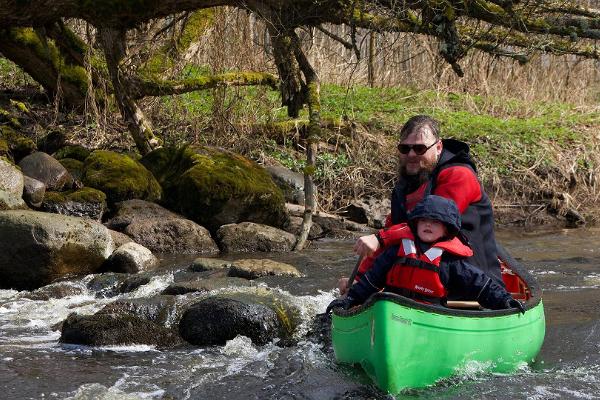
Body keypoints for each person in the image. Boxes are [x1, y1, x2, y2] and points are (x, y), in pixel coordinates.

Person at [339, 115, 501, 294]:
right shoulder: (406, 185)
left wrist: (378, 238)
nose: (411, 155)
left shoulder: (459, 175)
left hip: (470, 281)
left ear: (438, 147)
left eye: (419, 148)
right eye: (405, 148)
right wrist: (360, 278)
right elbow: (392, 235)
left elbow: (434, 222)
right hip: (419, 284)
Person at [328, 195, 524, 313]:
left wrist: (504, 300)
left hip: (430, 312)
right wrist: (350, 300)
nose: (428, 224)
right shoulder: (397, 251)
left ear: (447, 229)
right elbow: (372, 281)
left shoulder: (450, 261)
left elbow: (481, 286)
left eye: (436, 221)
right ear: (416, 224)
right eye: (424, 220)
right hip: (391, 308)